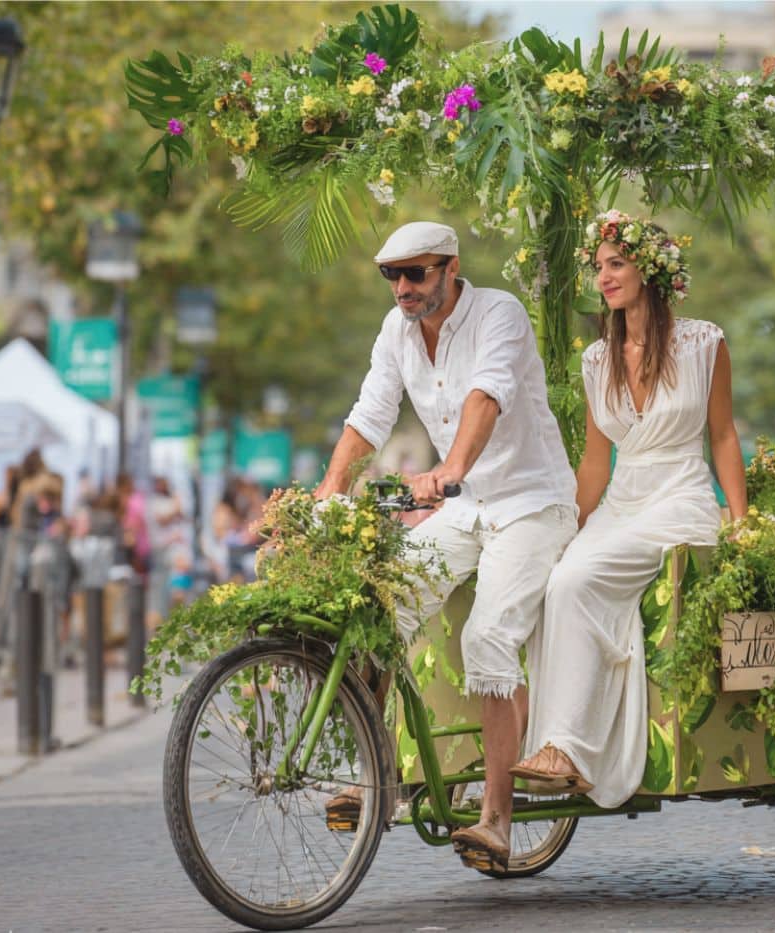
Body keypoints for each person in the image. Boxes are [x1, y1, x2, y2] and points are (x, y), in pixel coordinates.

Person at [312, 220, 577, 870]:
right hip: (468, 507)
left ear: (450, 268)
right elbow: (369, 415)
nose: (402, 286)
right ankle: (381, 775)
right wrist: (328, 490)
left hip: (531, 504)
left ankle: (496, 819)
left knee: (488, 637)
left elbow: (486, 398)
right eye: (391, 275)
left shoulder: (500, 314)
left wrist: (451, 468)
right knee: (377, 612)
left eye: (416, 273)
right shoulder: (395, 332)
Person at [513, 210, 746, 808]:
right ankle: (556, 745)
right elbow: (595, 463)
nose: (604, 279)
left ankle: (565, 748)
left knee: (576, 581)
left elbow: (722, 436)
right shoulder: (597, 360)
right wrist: (569, 524)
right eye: (598, 268)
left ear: (650, 268)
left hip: (680, 498)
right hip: (623, 500)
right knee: (553, 576)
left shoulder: (704, 343)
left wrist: (739, 521)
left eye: (615, 264)